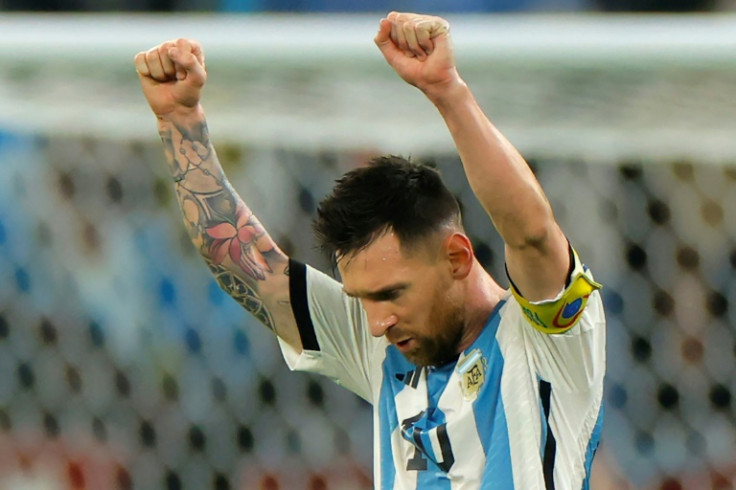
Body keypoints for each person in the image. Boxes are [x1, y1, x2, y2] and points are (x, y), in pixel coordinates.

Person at [135, 11, 606, 489]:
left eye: (391, 294)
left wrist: (448, 92)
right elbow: (244, 262)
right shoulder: (379, 344)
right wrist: (179, 121)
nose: (376, 322)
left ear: (458, 257)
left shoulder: (547, 339)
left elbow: (532, 234)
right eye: (362, 299)